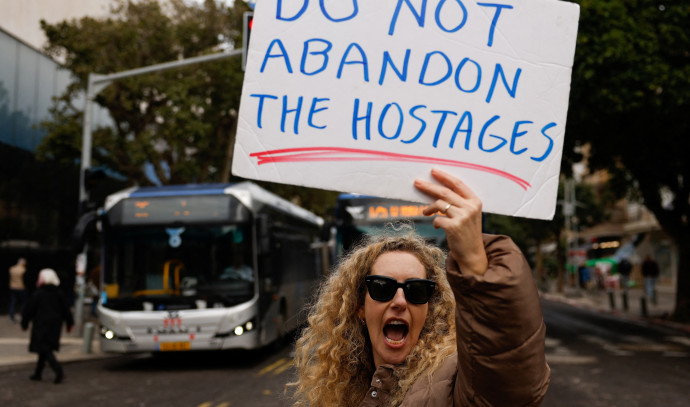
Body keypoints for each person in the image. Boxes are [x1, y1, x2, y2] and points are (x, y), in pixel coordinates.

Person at [290, 169, 550, 406]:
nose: (400, 301)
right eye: (382, 287)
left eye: (416, 290)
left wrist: (474, 261)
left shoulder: (454, 380)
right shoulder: (341, 392)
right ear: (359, 306)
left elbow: (508, 385)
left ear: (430, 307)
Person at [21, 268, 74, 384]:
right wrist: (70, 323)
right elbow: (66, 310)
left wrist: (24, 323)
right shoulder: (58, 293)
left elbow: (29, 310)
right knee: (44, 349)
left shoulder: (38, 294)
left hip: (41, 325)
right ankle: (38, 373)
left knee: (45, 349)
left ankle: (58, 371)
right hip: (54, 326)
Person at [8, 258, 27, 323]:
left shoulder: (12, 269)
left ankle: (11, 317)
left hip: (12, 287)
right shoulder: (23, 270)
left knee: (13, 302)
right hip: (21, 287)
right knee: (24, 302)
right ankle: (21, 315)